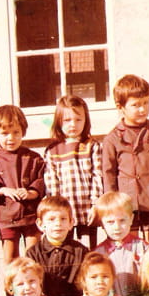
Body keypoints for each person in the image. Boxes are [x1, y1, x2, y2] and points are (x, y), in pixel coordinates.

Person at [101, 74, 149, 244]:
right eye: (136, 105)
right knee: (128, 244)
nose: (142, 109)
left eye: (146, 103)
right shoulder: (112, 139)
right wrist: (111, 205)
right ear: (120, 107)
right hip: (127, 203)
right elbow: (108, 176)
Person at [0, 104, 45, 261]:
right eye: (5, 133)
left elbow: (42, 180)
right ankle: (11, 279)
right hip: (7, 217)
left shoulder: (33, 158)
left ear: (23, 132)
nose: (11, 138)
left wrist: (32, 192)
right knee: (10, 258)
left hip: (31, 215)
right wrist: (3, 190)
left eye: (16, 132)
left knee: (33, 256)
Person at [43, 94, 104, 248]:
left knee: (88, 249)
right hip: (63, 213)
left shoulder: (92, 146)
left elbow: (97, 176)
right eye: (67, 120)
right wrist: (56, 209)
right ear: (59, 121)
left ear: (86, 120)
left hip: (87, 209)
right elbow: (52, 184)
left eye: (78, 120)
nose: (73, 125)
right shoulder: (53, 150)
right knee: (65, 248)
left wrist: (95, 204)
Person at [26, 195, 89, 296]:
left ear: (71, 223)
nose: (58, 223)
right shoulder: (33, 254)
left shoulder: (81, 251)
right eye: (51, 219)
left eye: (63, 219)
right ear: (40, 224)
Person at [92, 191, 149, 296]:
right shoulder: (98, 253)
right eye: (110, 222)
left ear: (131, 219)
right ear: (102, 224)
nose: (117, 227)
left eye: (122, 220)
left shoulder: (143, 247)